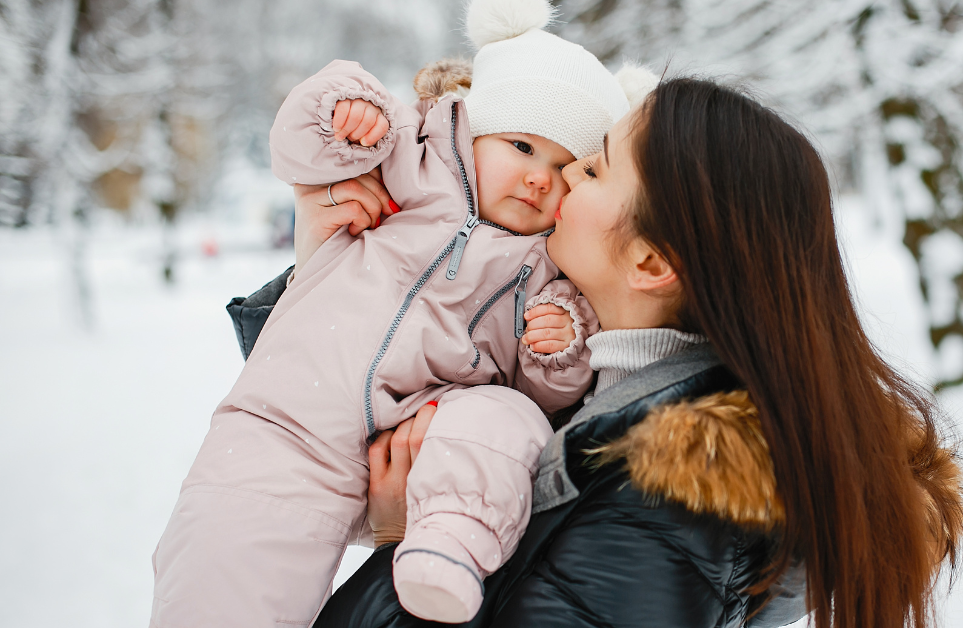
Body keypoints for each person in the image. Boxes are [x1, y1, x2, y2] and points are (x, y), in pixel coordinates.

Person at [234, 77, 963, 627]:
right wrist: (325, 251)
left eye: (596, 167)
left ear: (650, 263)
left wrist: (404, 546)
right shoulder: (592, 402)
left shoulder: (664, 506)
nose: (564, 174)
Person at [151, 0, 658, 624]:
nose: (536, 179)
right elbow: (305, 156)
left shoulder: (555, 265)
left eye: (563, 169)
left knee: (507, 418)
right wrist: (343, 115)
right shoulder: (413, 160)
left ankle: (449, 547)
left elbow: (547, 392)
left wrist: (559, 347)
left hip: (427, 440)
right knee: (229, 567)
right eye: (522, 146)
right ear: (476, 128)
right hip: (296, 419)